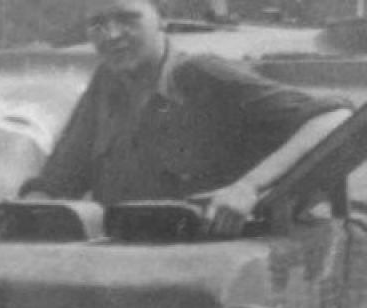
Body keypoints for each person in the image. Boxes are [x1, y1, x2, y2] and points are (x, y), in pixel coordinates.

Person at [19, 0, 352, 237]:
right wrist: (31, 207)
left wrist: (248, 187)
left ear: (161, 17)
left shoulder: (203, 75)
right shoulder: (106, 84)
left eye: (127, 18)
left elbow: (335, 118)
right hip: (122, 263)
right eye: (97, 24)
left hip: (208, 265)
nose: (112, 35)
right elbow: (61, 178)